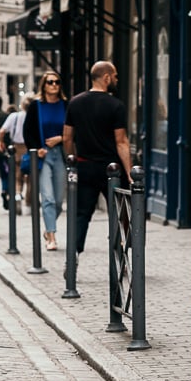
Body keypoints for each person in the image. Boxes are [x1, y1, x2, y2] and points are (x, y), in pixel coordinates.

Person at [63, 60, 132, 257]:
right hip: (111, 170)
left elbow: (67, 137)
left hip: (84, 166)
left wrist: (71, 161)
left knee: (82, 214)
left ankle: (73, 255)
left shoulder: (75, 102)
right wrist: (129, 172)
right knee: (119, 213)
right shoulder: (116, 105)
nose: (117, 79)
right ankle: (120, 255)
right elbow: (121, 142)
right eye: (115, 76)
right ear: (106, 77)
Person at [24, 71, 68, 250]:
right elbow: (28, 131)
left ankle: (49, 227)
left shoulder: (66, 105)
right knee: (48, 197)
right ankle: (52, 236)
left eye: (57, 82)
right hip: (44, 155)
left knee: (58, 200)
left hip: (61, 154)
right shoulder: (36, 106)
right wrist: (37, 149)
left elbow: (73, 130)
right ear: (43, 85)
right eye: (50, 82)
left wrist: (61, 138)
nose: (54, 85)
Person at [0, 96, 31, 215]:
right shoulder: (35, 117)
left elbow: (2, 131)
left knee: (17, 174)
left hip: (16, 148)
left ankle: (17, 194)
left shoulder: (14, 116)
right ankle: (28, 202)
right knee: (31, 176)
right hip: (30, 148)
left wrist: (0, 142)